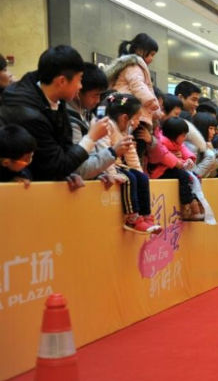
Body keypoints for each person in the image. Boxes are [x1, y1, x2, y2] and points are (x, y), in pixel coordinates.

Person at [0, 45, 108, 182]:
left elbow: (63, 150)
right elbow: (53, 166)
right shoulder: (28, 114)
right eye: (80, 79)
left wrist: (65, 174)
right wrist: (91, 138)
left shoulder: (54, 95)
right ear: (62, 81)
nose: (81, 86)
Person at [95, 93, 162, 234]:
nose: (137, 122)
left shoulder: (125, 131)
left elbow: (131, 155)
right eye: (136, 118)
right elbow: (103, 150)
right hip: (106, 165)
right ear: (124, 118)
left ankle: (145, 216)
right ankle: (132, 218)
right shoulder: (107, 126)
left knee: (141, 178)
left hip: (119, 165)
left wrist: (139, 172)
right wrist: (112, 174)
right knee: (129, 179)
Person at [151, 117, 205, 221]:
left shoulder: (177, 143)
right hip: (161, 171)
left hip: (175, 168)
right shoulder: (161, 142)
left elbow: (184, 151)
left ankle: (198, 203)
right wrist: (181, 162)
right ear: (174, 135)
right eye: (183, 135)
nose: (185, 138)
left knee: (196, 177)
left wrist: (189, 159)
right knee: (185, 177)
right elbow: (167, 157)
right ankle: (187, 207)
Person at [105, 33, 161, 125]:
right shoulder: (133, 66)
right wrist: (150, 102)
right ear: (140, 50)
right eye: (151, 54)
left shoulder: (134, 66)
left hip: (130, 109)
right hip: (130, 110)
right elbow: (137, 85)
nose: (152, 58)